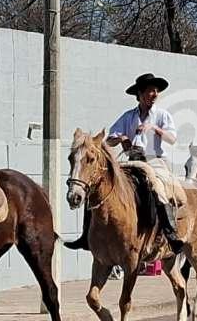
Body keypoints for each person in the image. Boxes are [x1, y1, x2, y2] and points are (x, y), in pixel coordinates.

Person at [66, 72, 184, 253]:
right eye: (150, 90)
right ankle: (85, 236)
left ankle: (170, 234)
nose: (154, 94)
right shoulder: (128, 116)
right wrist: (121, 138)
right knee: (97, 184)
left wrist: (154, 128)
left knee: (157, 187)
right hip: (132, 160)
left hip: (155, 161)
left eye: (156, 91)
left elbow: (172, 139)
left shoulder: (162, 115)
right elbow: (108, 140)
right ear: (140, 94)